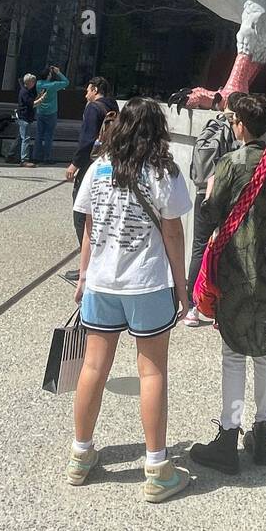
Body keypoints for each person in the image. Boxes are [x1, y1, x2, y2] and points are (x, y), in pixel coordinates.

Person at [69, 96, 192, 501]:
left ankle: (80, 455)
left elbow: (88, 227)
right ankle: (157, 467)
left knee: (93, 368)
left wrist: (84, 276)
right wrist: (182, 285)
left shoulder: (98, 168)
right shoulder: (164, 173)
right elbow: (173, 233)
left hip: (102, 282)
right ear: (158, 130)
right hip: (147, 283)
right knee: (152, 373)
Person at [190, 93, 266, 474]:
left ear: (240, 126)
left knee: (234, 356)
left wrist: (210, 190)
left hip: (235, 270)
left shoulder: (230, 163)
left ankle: (228, 437)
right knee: (265, 352)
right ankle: (262, 432)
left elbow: (210, 211)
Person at [183, 92, 240, 327]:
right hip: (222, 198)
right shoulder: (234, 131)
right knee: (223, 251)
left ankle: (191, 306)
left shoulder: (212, 125)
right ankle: (217, 308)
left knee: (199, 248)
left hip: (201, 195)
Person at [66, 76, 119, 245]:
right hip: (110, 161)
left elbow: (87, 140)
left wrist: (75, 164)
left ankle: (86, 260)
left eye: (88, 90)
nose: (86, 95)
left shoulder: (92, 108)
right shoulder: (114, 106)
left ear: (95, 90)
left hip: (91, 163)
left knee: (81, 209)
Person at [35, 64, 69, 163]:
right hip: (51, 111)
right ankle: (47, 157)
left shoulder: (38, 84)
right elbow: (66, 82)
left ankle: (36, 156)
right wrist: (58, 72)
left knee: (39, 134)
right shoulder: (53, 85)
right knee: (48, 135)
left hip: (40, 111)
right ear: (49, 75)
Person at [16, 74, 46, 167]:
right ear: (29, 82)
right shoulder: (24, 92)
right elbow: (31, 104)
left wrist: (39, 96)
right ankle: (24, 160)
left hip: (26, 117)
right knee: (26, 138)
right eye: (33, 81)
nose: (34, 83)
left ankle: (12, 155)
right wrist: (41, 99)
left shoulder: (28, 91)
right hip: (24, 117)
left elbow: (32, 101)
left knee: (20, 138)